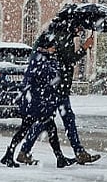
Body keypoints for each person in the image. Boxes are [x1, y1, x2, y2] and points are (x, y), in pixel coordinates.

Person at [0, 42, 77, 168]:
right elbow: (48, 78)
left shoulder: (39, 59)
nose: (54, 50)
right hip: (39, 103)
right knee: (42, 129)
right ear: (46, 48)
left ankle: (9, 154)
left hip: (36, 102)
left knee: (40, 129)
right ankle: (59, 158)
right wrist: (56, 72)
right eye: (52, 47)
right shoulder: (42, 60)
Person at [37, 18, 101, 165]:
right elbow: (69, 59)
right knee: (48, 121)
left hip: (59, 86)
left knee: (60, 120)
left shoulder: (62, 35)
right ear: (72, 25)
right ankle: (24, 150)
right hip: (57, 87)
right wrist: (84, 48)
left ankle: (79, 152)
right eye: (79, 26)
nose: (80, 30)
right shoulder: (63, 37)